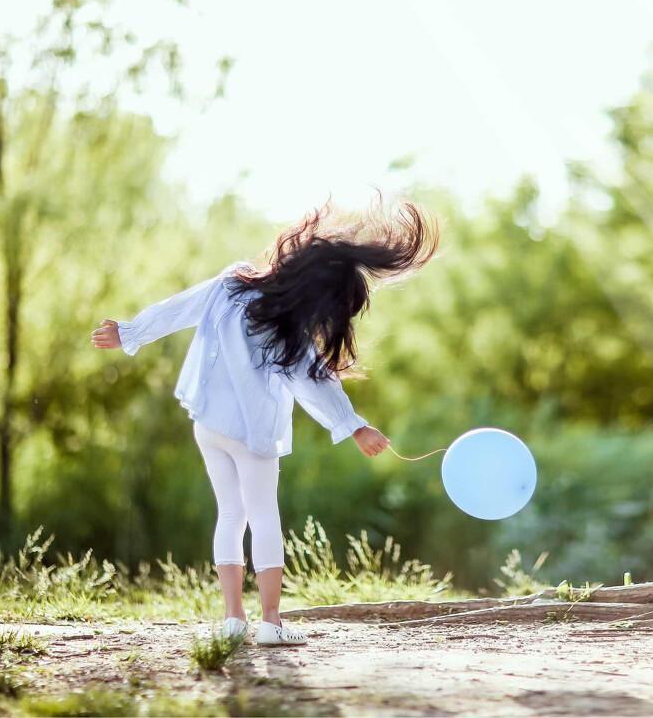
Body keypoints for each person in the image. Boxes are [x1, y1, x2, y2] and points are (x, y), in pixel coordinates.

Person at [91, 199, 438, 645]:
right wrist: (355, 426)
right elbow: (315, 384)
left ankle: (234, 619)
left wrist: (131, 332)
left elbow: (179, 308)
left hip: (209, 425)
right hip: (252, 435)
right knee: (263, 515)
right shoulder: (286, 329)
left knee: (230, 515)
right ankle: (271, 622)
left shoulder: (231, 285)